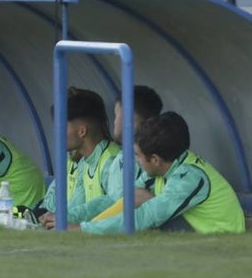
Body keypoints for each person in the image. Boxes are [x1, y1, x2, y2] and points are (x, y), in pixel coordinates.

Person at [77, 112, 245, 235]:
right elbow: (119, 198)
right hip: (193, 232)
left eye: (138, 156)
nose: (137, 161)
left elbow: (148, 215)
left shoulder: (190, 177)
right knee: (137, 196)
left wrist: (85, 230)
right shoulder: (165, 167)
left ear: (155, 160)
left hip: (220, 241)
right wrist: (74, 220)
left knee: (143, 215)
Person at [41, 84, 163, 229]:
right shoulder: (82, 160)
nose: (114, 122)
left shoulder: (116, 159)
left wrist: (79, 227)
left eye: (116, 115)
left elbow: (117, 203)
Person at [34, 87, 117, 221]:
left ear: (82, 131)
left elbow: (118, 203)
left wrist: (65, 219)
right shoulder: (85, 161)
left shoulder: (114, 159)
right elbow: (75, 205)